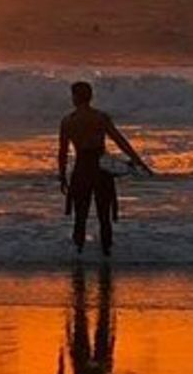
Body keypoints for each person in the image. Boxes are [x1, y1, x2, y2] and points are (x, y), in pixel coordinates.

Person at [58, 81, 152, 255]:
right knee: (104, 216)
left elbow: (63, 152)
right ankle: (106, 254)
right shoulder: (100, 117)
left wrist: (62, 175)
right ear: (90, 96)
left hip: (81, 169)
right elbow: (120, 141)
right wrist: (138, 162)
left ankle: (78, 254)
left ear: (75, 98)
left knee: (80, 216)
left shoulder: (68, 121)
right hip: (101, 167)